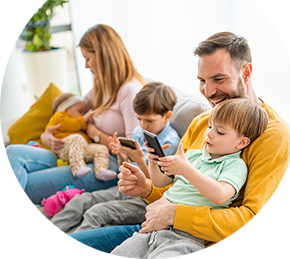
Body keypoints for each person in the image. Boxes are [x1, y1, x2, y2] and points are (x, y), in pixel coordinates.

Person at [31, 32, 290, 259]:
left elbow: (253, 225)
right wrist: (146, 189)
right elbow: (178, 192)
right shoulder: (203, 122)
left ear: (246, 72)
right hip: (158, 229)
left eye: (219, 79)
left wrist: (174, 214)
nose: (208, 92)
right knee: (47, 253)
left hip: (206, 247)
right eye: (202, 81)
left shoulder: (273, 135)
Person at [0, 24, 146, 252]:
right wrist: (47, 136)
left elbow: (131, 148)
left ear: (104, 54)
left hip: (104, 166)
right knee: (12, 152)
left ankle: (26, 255)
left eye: (88, 58)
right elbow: (70, 113)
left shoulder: (129, 90)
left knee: (21, 189)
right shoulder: (100, 88)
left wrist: (94, 133)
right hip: (77, 153)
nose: (86, 65)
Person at [12, 82, 180, 259]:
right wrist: (122, 155)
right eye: (139, 119)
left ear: (167, 116)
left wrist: (139, 159)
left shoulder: (171, 143)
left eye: (149, 120)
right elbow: (128, 167)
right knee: (80, 200)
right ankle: (33, 248)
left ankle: (61, 250)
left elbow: (157, 187)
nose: (143, 125)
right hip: (127, 188)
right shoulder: (140, 131)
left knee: (97, 212)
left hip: (147, 199)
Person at [106, 98, 268, 258]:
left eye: (220, 132)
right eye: (210, 126)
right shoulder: (192, 155)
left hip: (185, 237)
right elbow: (160, 182)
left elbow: (220, 195)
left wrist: (186, 170)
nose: (209, 134)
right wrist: (154, 162)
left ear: (242, 142)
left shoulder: (235, 166)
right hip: (153, 227)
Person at [46, 92, 117, 180]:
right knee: (77, 138)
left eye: (83, 113)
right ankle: (77, 167)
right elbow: (68, 125)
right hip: (64, 148)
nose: (82, 115)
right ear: (66, 109)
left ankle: (101, 170)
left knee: (101, 148)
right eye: (80, 111)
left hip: (81, 150)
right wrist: (83, 119)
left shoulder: (80, 124)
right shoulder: (59, 116)